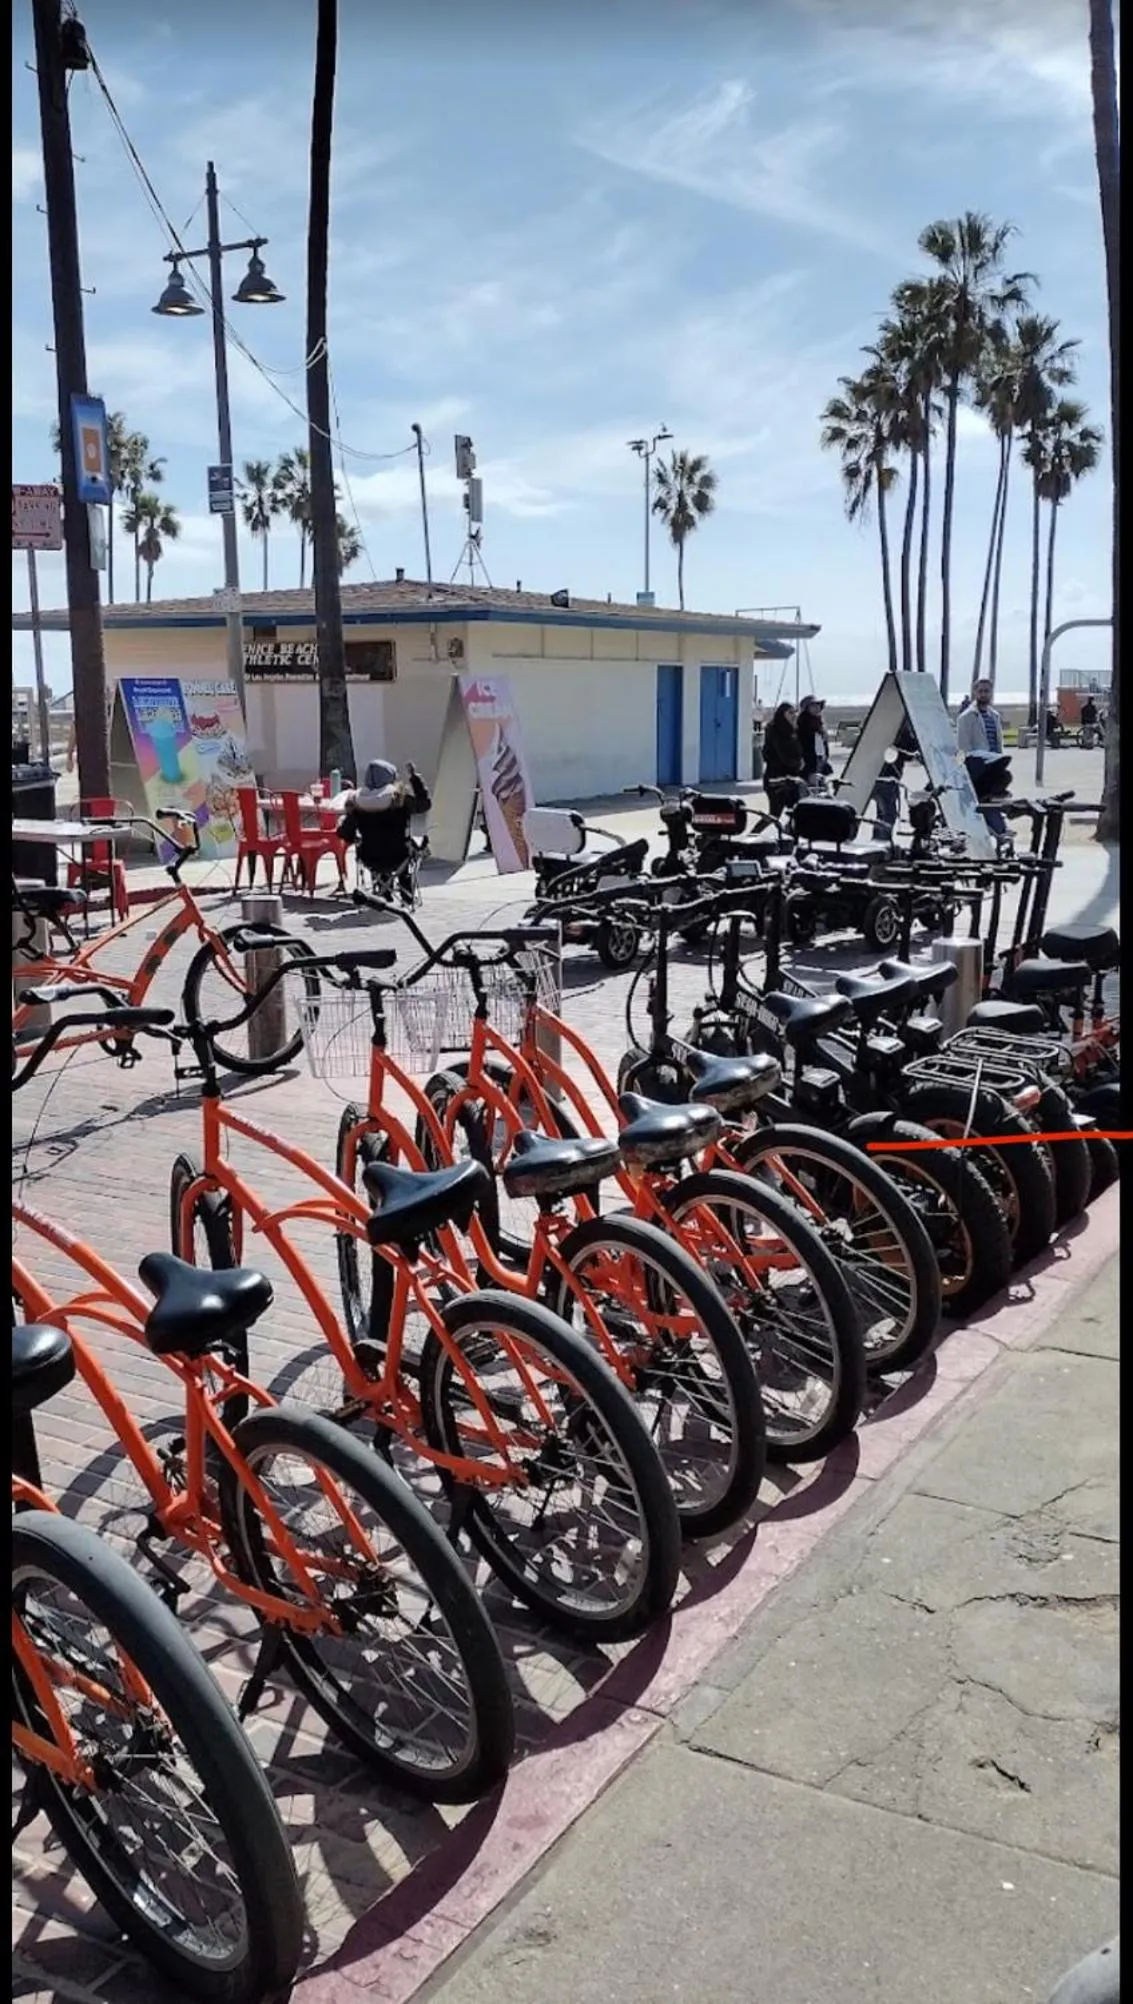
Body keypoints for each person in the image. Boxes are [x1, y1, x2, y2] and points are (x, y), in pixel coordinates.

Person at [336, 757, 431, 903]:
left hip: (370, 858)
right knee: (404, 849)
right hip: (399, 856)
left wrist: (348, 831)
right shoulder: (399, 798)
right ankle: (407, 895)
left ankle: (383, 892)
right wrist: (415, 779)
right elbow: (424, 804)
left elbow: (345, 833)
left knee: (376, 848)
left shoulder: (357, 801)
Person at [761, 702, 805, 817]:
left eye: (795, 712)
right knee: (774, 814)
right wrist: (797, 764)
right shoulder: (776, 731)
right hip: (776, 778)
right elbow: (782, 755)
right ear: (782, 714)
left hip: (791, 778)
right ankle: (755, 830)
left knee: (797, 809)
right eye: (790, 713)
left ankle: (791, 828)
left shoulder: (793, 731)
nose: (794, 715)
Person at [797, 695, 831, 786]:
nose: (817, 708)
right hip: (807, 768)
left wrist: (824, 761)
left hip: (820, 765)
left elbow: (824, 747)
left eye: (818, 705)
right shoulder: (802, 726)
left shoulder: (820, 725)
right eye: (813, 706)